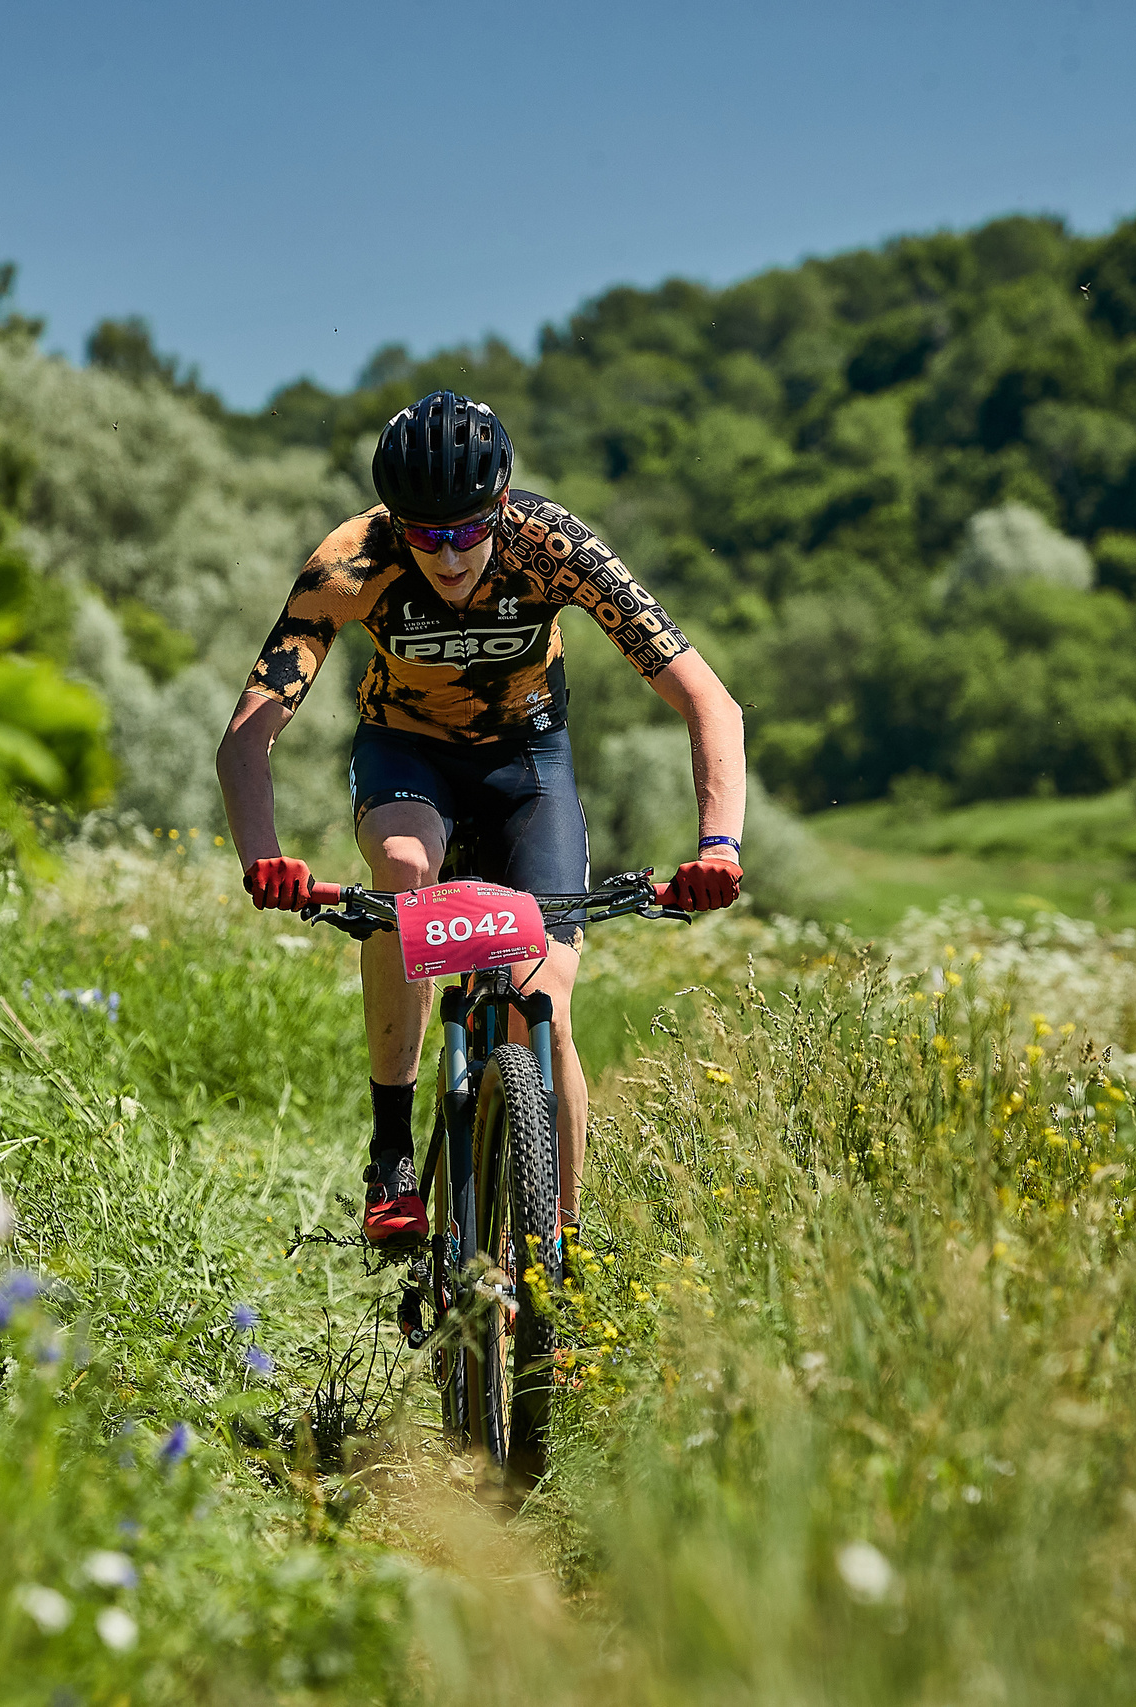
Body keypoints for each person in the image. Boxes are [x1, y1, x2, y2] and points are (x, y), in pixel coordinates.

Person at [215, 391, 748, 1249]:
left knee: (545, 1004)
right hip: (407, 755)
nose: (450, 554)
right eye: (426, 534)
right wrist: (263, 855)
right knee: (402, 866)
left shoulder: (553, 546)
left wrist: (718, 845)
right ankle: (391, 1153)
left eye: (467, 530)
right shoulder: (351, 562)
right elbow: (246, 737)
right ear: (397, 522)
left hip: (528, 764)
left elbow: (710, 703)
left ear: (502, 507)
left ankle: (559, 1261)